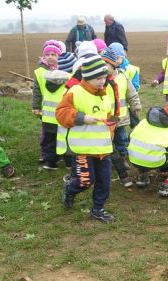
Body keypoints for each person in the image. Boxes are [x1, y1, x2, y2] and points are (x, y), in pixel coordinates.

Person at [55, 54, 116, 223]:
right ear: (87, 77)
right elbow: (60, 114)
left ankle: (98, 209)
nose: (102, 81)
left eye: (104, 77)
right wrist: (81, 117)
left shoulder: (104, 94)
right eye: (98, 78)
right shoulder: (75, 92)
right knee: (85, 181)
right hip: (82, 149)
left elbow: (108, 115)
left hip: (103, 149)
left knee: (104, 183)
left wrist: (112, 127)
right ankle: (70, 189)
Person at [100, 47, 142, 188]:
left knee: (121, 139)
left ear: (114, 65)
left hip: (121, 118)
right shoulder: (99, 80)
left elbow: (132, 93)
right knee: (107, 142)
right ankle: (111, 160)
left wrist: (135, 106)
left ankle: (122, 159)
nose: (103, 67)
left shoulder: (123, 77)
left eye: (106, 64)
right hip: (106, 119)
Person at [129, 103, 168, 197]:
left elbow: (130, 134)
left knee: (145, 151)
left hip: (134, 158)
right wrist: (164, 168)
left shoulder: (144, 122)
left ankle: (142, 177)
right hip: (152, 161)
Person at [32, 40, 67, 170]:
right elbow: (36, 91)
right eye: (48, 54)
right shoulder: (40, 72)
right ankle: (50, 160)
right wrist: (36, 106)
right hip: (47, 111)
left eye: (54, 54)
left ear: (59, 56)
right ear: (44, 56)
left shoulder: (64, 70)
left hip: (63, 110)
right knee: (49, 137)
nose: (50, 57)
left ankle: (65, 157)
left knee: (63, 135)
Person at [109, 42, 141, 127]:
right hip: (114, 109)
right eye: (112, 58)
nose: (114, 60)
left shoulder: (131, 69)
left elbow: (135, 87)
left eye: (116, 58)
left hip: (128, 104)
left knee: (134, 124)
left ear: (123, 56)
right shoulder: (108, 71)